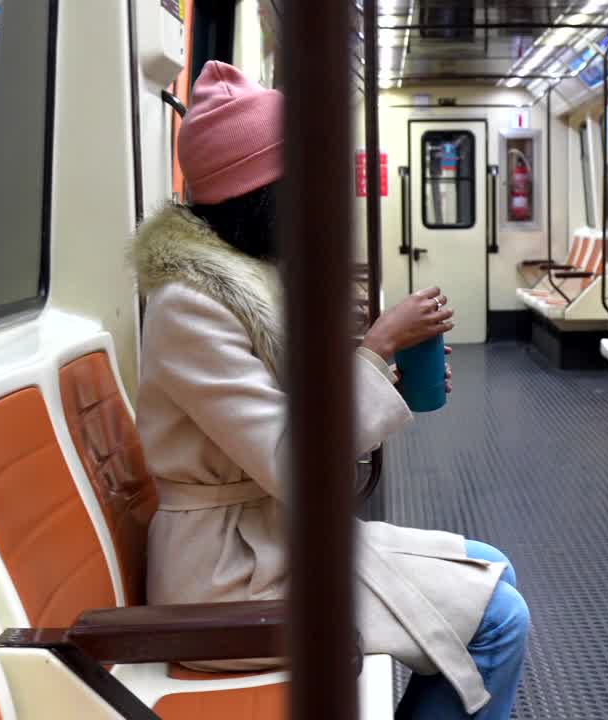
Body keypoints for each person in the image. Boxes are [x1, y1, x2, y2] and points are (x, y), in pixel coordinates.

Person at [132, 60, 529, 718]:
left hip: (264, 538)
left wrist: (379, 369)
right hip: (227, 577)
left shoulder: (244, 283)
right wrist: (373, 354)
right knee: (500, 618)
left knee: (493, 566)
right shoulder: (189, 307)